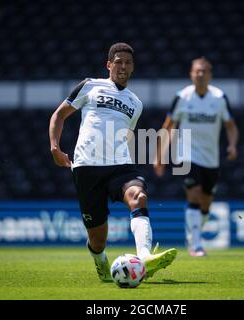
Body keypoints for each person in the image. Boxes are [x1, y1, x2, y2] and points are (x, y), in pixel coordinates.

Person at [49, 43, 177, 282]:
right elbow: (59, 115)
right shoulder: (90, 86)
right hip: (87, 168)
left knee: (138, 197)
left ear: (133, 68)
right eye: (118, 61)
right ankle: (100, 260)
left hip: (121, 166)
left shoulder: (135, 103)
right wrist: (55, 147)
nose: (123, 66)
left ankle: (145, 256)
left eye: (128, 63)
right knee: (98, 240)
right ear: (109, 64)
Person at [153, 57, 239, 257]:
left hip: (211, 158)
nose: (200, 74)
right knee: (194, 193)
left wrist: (233, 144)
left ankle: (194, 234)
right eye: (196, 71)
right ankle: (197, 245)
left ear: (210, 75)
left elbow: (231, 126)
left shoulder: (219, 98)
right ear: (191, 74)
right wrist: (159, 156)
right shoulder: (182, 97)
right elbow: (167, 127)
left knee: (206, 204)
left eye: (204, 71)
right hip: (187, 154)